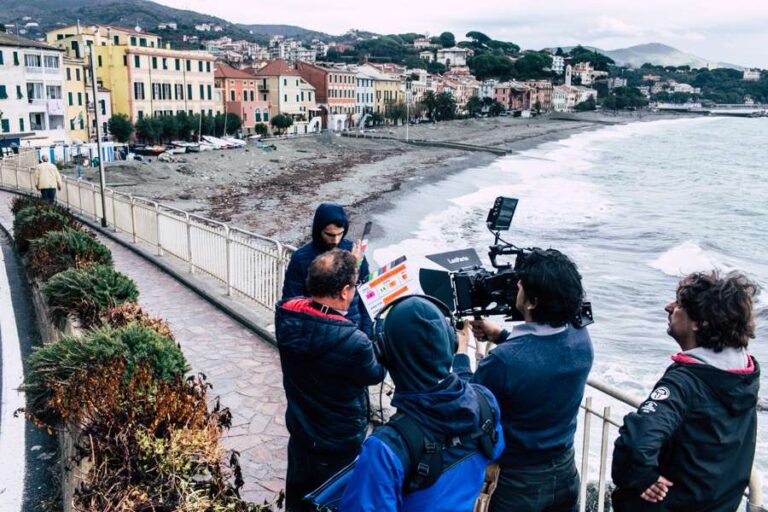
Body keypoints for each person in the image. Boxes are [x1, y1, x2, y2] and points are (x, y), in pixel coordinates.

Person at [454, 248, 594, 512]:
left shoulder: (504, 362)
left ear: (532, 302)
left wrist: (461, 354)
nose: (515, 286)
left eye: (520, 285)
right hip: (565, 470)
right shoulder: (581, 338)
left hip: (519, 483)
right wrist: (501, 335)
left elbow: (469, 406)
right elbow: (542, 358)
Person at [339, 295, 505, 512]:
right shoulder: (485, 402)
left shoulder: (385, 448)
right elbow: (495, 450)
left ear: (385, 355)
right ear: (450, 344)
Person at [612, 271, 760, 512]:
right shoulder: (744, 373)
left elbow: (636, 443)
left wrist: (642, 479)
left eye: (680, 305)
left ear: (699, 322)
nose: (668, 307)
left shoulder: (685, 383)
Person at [275, 249, 386, 511]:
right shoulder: (353, 342)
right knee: (333, 501)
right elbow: (375, 373)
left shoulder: (288, 316)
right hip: (337, 440)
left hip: (302, 430)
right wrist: (380, 332)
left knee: (298, 498)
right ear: (346, 291)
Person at [282, 203, 372, 336]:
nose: (335, 240)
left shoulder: (354, 252)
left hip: (354, 329)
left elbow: (366, 292)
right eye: (329, 234)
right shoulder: (300, 258)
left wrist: (367, 331)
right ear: (318, 230)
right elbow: (291, 301)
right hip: (318, 331)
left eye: (340, 234)